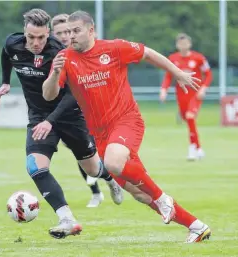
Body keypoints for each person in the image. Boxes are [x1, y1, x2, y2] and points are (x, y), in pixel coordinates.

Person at [43, 10, 211, 243]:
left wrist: (177, 72)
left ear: (91, 31)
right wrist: (56, 73)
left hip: (126, 120)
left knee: (114, 162)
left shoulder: (113, 48)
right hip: (100, 134)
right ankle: (196, 226)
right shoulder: (64, 58)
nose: (71, 36)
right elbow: (49, 95)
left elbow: (148, 53)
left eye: (76, 31)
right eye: (68, 32)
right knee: (140, 193)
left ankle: (163, 199)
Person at [0, 9, 124, 239]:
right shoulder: (12, 44)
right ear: (24, 32)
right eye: (31, 37)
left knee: (92, 168)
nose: (36, 42)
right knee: (35, 166)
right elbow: (6, 55)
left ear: (49, 33)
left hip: (70, 114)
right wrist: (5, 82)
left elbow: (74, 93)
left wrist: (51, 121)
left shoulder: (60, 52)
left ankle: (111, 180)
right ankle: (67, 219)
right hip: (38, 116)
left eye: (41, 37)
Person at [51, 13, 104, 208]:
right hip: (67, 112)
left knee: (95, 148)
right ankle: (96, 192)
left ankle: (109, 177)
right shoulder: (54, 55)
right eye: (59, 33)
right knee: (79, 153)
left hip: (89, 108)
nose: (65, 36)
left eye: (68, 31)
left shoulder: (82, 50)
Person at [159, 33, 213, 161]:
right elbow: (168, 76)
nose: (183, 45)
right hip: (181, 95)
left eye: (185, 43)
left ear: (190, 44)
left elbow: (209, 74)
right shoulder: (173, 59)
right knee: (187, 119)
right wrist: (163, 90)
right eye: (180, 43)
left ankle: (192, 149)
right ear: (177, 45)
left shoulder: (199, 58)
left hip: (195, 93)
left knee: (190, 116)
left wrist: (204, 88)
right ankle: (199, 148)